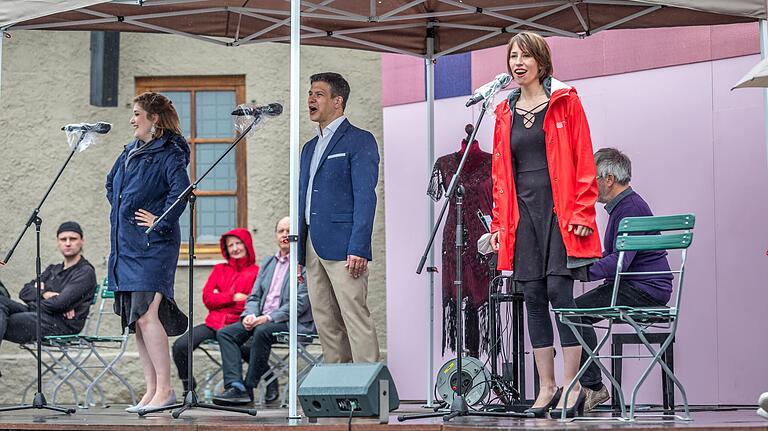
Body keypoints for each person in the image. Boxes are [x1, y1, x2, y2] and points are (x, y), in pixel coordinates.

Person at [488, 32, 602, 418]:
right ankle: (547, 385)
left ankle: (574, 385)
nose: (517, 63)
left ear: (540, 60)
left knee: (558, 290)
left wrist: (584, 214)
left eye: (524, 56)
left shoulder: (565, 101)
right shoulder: (504, 110)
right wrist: (502, 223)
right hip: (523, 215)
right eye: (512, 57)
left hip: (560, 211)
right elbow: (500, 174)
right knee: (532, 295)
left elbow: (583, 158)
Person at [106, 92, 191, 413]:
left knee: (148, 314)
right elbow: (110, 184)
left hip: (153, 245)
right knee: (138, 320)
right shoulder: (130, 151)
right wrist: (124, 213)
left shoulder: (170, 152)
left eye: (138, 114)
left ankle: (166, 389)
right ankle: (152, 389)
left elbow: (181, 192)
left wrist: (159, 220)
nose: (132, 119)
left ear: (154, 119)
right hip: (127, 245)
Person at [576, 148, 674, 412]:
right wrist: (589, 265)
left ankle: (593, 388)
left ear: (608, 179)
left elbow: (620, 262)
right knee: (575, 311)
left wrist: (582, 271)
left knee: (574, 313)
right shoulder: (625, 207)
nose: (589, 185)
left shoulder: (630, 208)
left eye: (592, 178)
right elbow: (615, 257)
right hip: (640, 286)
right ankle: (591, 385)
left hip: (643, 290)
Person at [298, 72, 380, 364]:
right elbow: (302, 201)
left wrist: (359, 246)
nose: (310, 99)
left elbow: (366, 197)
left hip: (345, 247)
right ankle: (338, 392)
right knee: (325, 323)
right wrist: (299, 253)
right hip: (312, 246)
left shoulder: (359, 140)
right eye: (309, 93)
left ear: (337, 101)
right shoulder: (309, 148)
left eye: (318, 94)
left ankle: (368, 394)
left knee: (354, 317)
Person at [213, 216, 315, 406]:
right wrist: (250, 315)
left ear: (298, 235)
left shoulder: (305, 264)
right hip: (261, 320)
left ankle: (249, 387)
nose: (285, 234)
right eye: (281, 231)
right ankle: (236, 386)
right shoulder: (269, 262)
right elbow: (254, 296)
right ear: (276, 236)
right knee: (225, 333)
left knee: (262, 331)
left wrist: (267, 318)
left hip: (292, 323)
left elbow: (300, 303)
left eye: (289, 231)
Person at [171, 228, 259, 395]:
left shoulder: (256, 272)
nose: (235, 248)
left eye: (238, 243)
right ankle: (188, 386)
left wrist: (221, 298)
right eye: (230, 245)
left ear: (247, 245)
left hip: (238, 326)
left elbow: (252, 304)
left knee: (250, 351)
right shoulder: (219, 269)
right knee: (180, 346)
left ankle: (241, 389)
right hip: (213, 324)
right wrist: (233, 297)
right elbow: (208, 298)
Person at [0, 221, 96, 349]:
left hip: (61, 324)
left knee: (6, 320)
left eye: (72, 239)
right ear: (58, 242)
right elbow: (24, 292)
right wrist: (46, 294)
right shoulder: (52, 270)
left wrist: (49, 300)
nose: (67, 243)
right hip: (37, 312)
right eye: (63, 239)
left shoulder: (85, 272)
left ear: (82, 241)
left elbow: (59, 303)